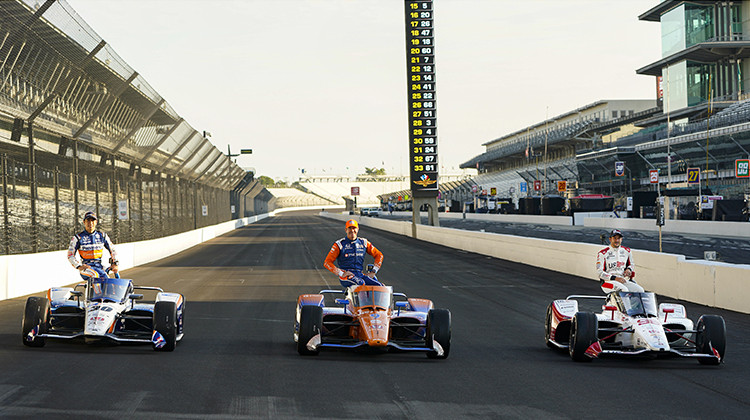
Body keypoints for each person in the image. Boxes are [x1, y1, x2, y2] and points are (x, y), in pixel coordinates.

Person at [324, 219, 384, 288]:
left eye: (354, 228)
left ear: (358, 229)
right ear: (346, 230)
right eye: (349, 228)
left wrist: (373, 271)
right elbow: (327, 263)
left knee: (380, 286)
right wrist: (341, 273)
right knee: (361, 284)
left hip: (360, 275)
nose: (352, 230)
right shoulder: (339, 244)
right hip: (346, 276)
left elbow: (379, 255)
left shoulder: (364, 242)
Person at [67, 211, 119, 280]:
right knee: (95, 275)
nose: (90, 223)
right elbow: (70, 255)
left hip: (99, 266)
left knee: (112, 277)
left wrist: (115, 263)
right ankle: (97, 291)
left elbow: (113, 250)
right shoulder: (78, 237)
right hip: (86, 267)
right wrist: (78, 266)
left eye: (92, 220)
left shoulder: (102, 236)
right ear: (84, 222)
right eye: (88, 220)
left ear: (96, 222)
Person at [596, 229, 643, 293]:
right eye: (614, 238)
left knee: (640, 290)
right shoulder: (602, 253)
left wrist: (629, 269)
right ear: (610, 239)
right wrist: (615, 278)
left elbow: (631, 264)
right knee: (624, 290)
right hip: (606, 283)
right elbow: (600, 273)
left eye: (619, 238)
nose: (617, 240)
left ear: (621, 239)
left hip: (622, 280)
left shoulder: (627, 251)